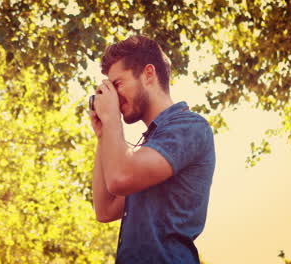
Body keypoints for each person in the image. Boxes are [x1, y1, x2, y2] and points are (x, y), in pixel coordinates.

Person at [89, 35, 216, 263]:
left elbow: (119, 178)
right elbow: (105, 210)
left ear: (148, 74)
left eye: (118, 84)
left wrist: (111, 120)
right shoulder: (147, 149)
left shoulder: (189, 127)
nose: (114, 98)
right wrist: (103, 135)